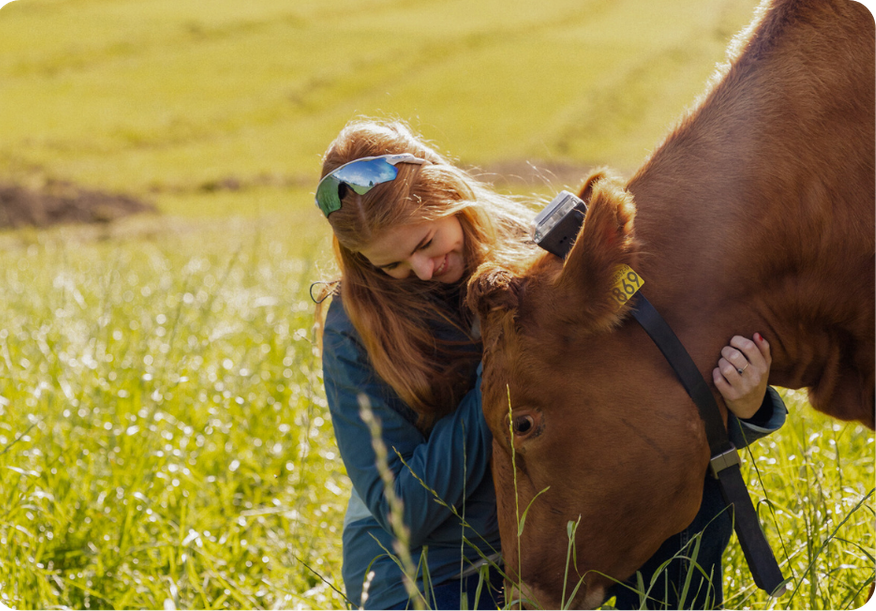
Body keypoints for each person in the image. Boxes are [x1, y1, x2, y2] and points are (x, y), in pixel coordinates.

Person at [315, 119, 787, 611]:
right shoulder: (355, 328)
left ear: (450, 196)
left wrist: (746, 409)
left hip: (561, 541)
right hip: (435, 572)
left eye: (425, 244)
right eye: (388, 265)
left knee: (699, 507)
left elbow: (633, 412)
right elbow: (403, 511)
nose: (420, 272)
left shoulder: (535, 255)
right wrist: (505, 378)